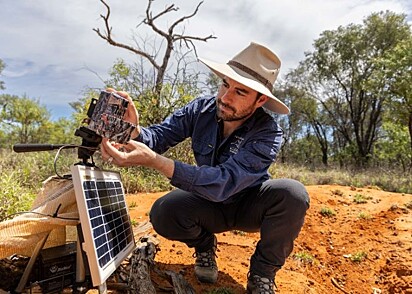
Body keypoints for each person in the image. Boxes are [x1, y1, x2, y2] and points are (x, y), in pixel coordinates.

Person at [100, 42, 310, 294]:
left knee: (293, 193)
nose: (225, 97)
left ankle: (262, 274)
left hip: (249, 205)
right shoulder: (201, 109)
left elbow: (225, 183)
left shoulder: (268, 132)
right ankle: (204, 245)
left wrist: (156, 161)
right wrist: (135, 131)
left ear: (260, 100)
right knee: (163, 211)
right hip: (208, 205)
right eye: (224, 84)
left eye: (240, 92)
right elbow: (161, 136)